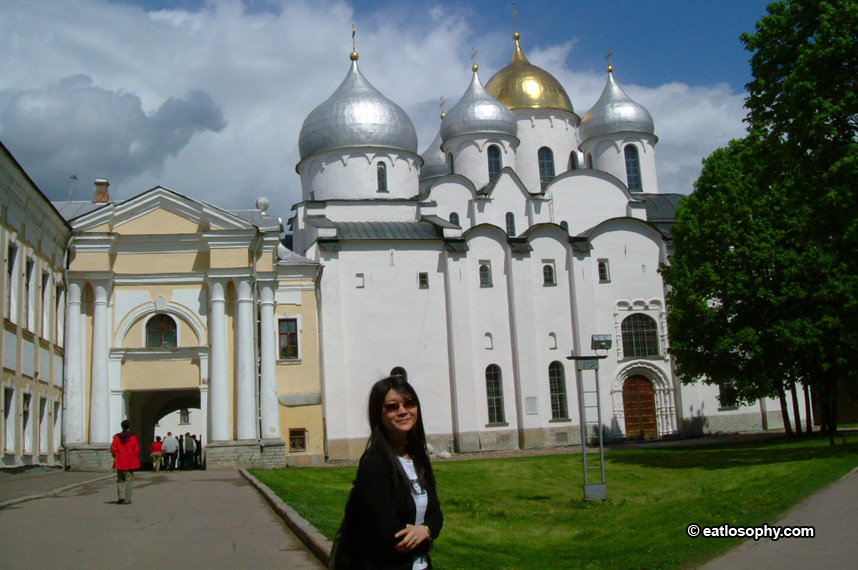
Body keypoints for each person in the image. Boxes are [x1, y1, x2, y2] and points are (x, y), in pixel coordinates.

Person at [342, 376, 443, 570]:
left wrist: (426, 530)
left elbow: (436, 513)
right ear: (378, 413)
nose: (403, 411)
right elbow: (391, 535)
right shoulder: (374, 464)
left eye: (409, 403)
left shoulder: (418, 458)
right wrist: (428, 534)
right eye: (392, 406)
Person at [110, 419, 140, 505]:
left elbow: (113, 449)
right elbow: (136, 449)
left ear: (121, 426)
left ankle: (120, 497)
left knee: (120, 480)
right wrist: (133, 456)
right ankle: (127, 499)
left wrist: (116, 455)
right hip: (129, 461)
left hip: (120, 461)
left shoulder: (116, 437)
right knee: (129, 480)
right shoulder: (133, 437)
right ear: (128, 427)